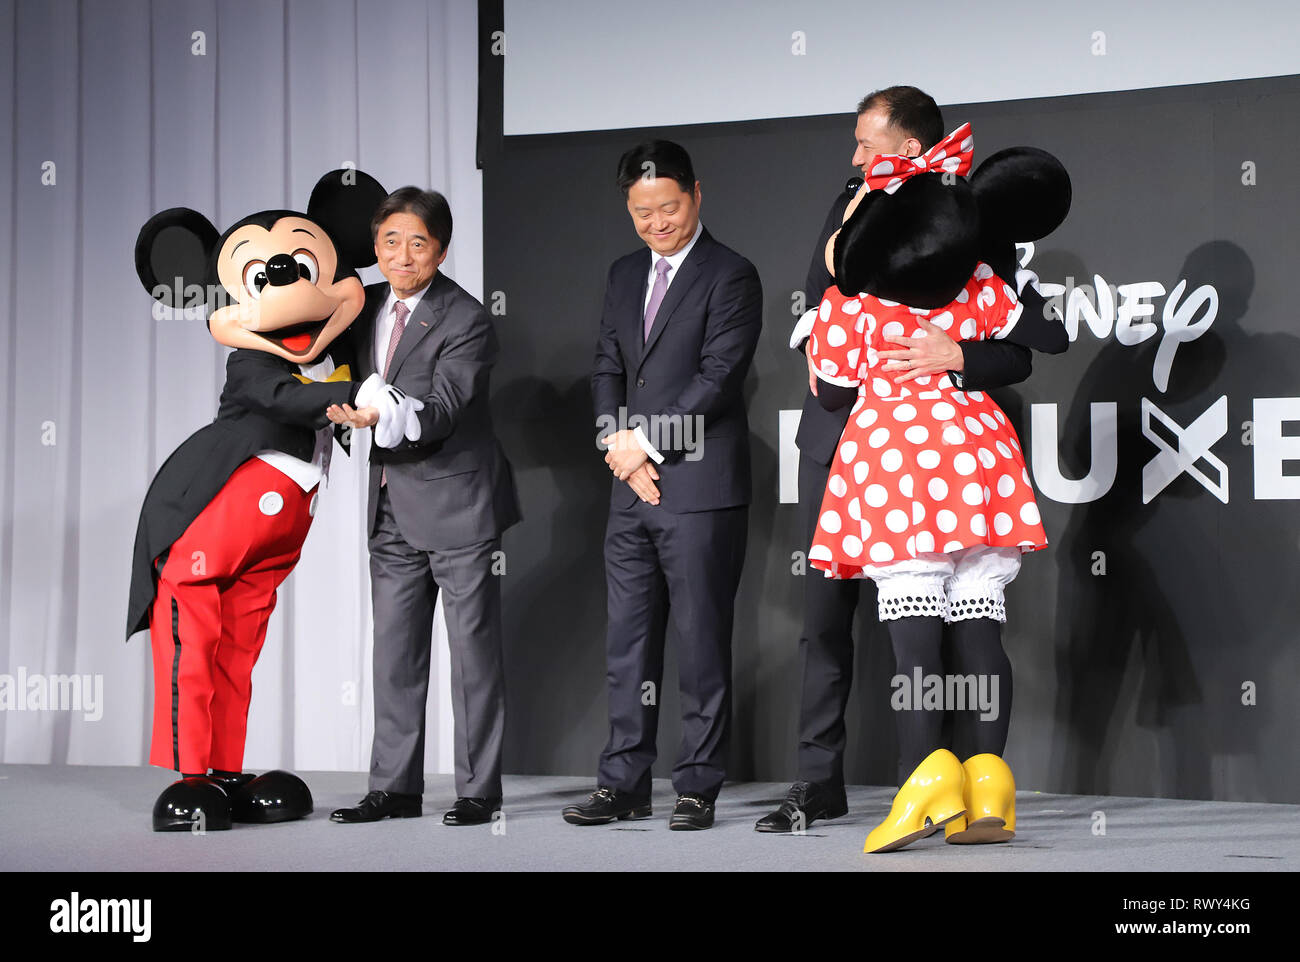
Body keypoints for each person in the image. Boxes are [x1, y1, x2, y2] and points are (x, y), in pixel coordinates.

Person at [756, 87, 1034, 833]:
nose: (855, 158)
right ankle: (882, 784)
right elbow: (1043, 329)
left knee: (921, 627)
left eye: (867, 143)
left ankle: (930, 786)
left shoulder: (970, 222)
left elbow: (1017, 347)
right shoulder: (854, 200)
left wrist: (956, 354)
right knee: (851, 622)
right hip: (905, 451)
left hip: (886, 455)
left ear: (909, 148)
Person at [562, 140, 762, 831]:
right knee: (627, 643)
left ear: (697, 195)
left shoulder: (731, 274)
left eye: (668, 208)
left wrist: (643, 445)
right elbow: (607, 368)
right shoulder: (622, 274)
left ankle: (698, 784)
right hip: (628, 486)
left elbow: (718, 377)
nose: (657, 223)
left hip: (700, 486)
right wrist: (617, 447)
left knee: (702, 642)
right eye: (642, 213)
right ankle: (622, 783)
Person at [327, 187, 521, 827]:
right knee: (394, 655)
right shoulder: (363, 306)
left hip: (458, 504)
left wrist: (385, 413)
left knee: (472, 657)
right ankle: (394, 787)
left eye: (418, 243)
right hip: (389, 507)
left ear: (440, 248)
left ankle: (478, 791)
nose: (402, 256)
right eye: (390, 241)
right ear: (376, 243)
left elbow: (443, 410)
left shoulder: (466, 318)